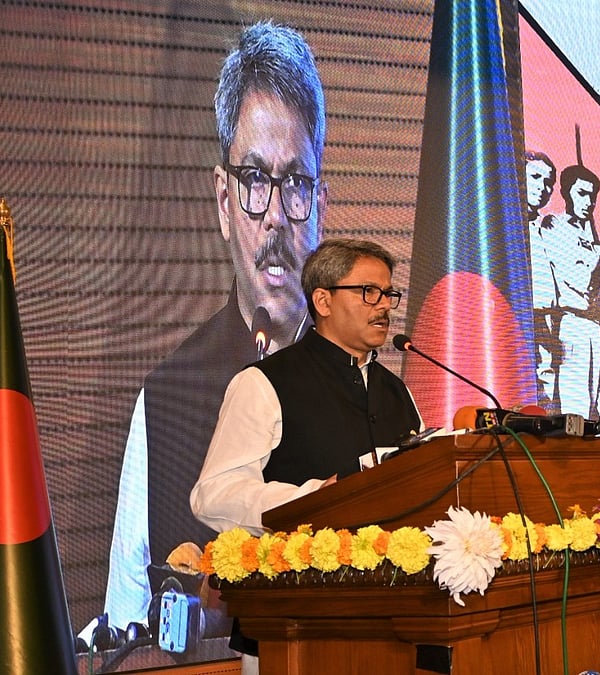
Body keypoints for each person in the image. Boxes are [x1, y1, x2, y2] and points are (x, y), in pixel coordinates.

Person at [97, 20, 328, 637]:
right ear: (224, 203)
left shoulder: (369, 391)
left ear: (320, 206)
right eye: (255, 180)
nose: (276, 216)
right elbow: (126, 617)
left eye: (296, 183)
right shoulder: (167, 400)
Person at [191, 238, 422, 672]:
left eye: (389, 293)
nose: (385, 306)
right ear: (323, 300)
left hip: (390, 626)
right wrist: (318, 498)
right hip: (289, 627)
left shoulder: (397, 391)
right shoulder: (264, 383)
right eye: (368, 292)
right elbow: (214, 494)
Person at [537, 164, 600, 417]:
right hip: (573, 323)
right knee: (576, 407)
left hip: (598, 328)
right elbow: (573, 279)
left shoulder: (590, 233)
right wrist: (595, 257)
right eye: (582, 194)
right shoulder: (554, 225)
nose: (589, 202)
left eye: (592, 196)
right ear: (566, 193)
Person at [525, 151, 559, 407]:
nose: (543, 187)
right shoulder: (504, 222)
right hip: (519, 316)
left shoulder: (549, 227)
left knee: (547, 380)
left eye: (549, 183)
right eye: (535, 177)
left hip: (547, 317)